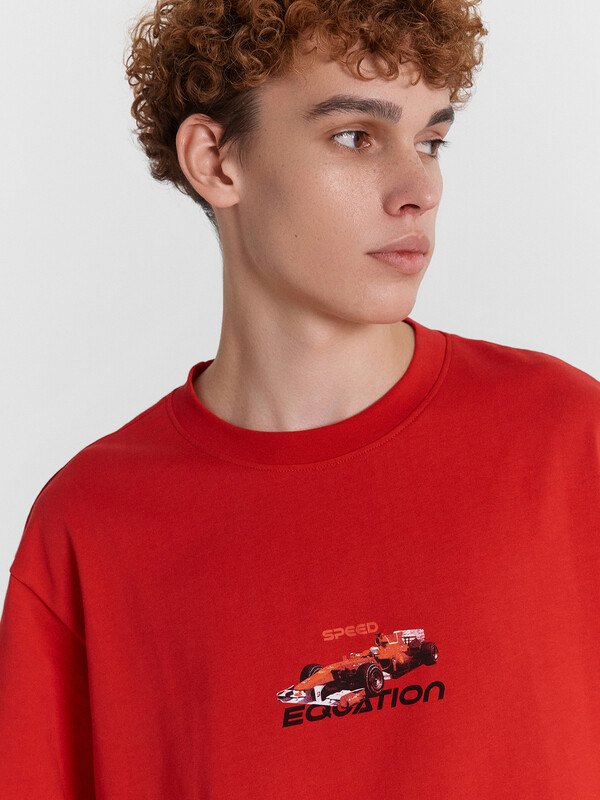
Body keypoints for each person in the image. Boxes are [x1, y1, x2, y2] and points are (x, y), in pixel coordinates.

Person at [0, 0, 598, 797]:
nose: (419, 189)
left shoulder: (569, 441)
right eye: (356, 136)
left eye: (430, 142)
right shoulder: (91, 527)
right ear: (216, 162)